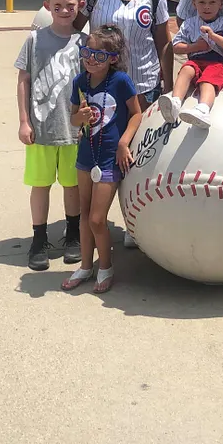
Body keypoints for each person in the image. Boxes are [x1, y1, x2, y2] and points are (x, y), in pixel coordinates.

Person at [73, 0, 173, 249]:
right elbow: (73, 32)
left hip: (143, 89)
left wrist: (169, 87)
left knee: (138, 156)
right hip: (102, 92)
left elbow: (164, 43)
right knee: (105, 153)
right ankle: (92, 224)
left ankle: (134, 220)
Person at [61, 25, 142, 294]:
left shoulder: (120, 81)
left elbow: (136, 114)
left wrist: (123, 143)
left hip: (109, 159)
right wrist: (79, 119)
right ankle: (86, 266)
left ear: (113, 58)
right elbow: (74, 118)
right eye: (87, 52)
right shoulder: (80, 82)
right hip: (86, 156)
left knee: (97, 219)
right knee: (84, 215)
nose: (90, 59)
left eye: (98, 54)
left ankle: (105, 266)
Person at [15, 0, 85, 271]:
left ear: (80, 6)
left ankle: (73, 234)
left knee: (72, 186)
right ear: (48, 6)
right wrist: (23, 121)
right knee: (40, 185)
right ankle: (39, 238)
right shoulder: (34, 40)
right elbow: (23, 79)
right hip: (41, 129)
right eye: (58, 6)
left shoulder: (84, 44)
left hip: (73, 130)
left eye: (70, 5)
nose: (64, 11)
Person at [159, 0, 223, 128]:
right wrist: (195, 47)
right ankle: (175, 101)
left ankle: (203, 109)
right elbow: (176, 46)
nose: (207, 7)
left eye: (212, 2)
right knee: (186, 69)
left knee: (208, 80)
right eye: (202, 2)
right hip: (195, 59)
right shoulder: (189, 23)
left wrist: (213, 36)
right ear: (194, 3)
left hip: (218, 62)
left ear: (221, 4)